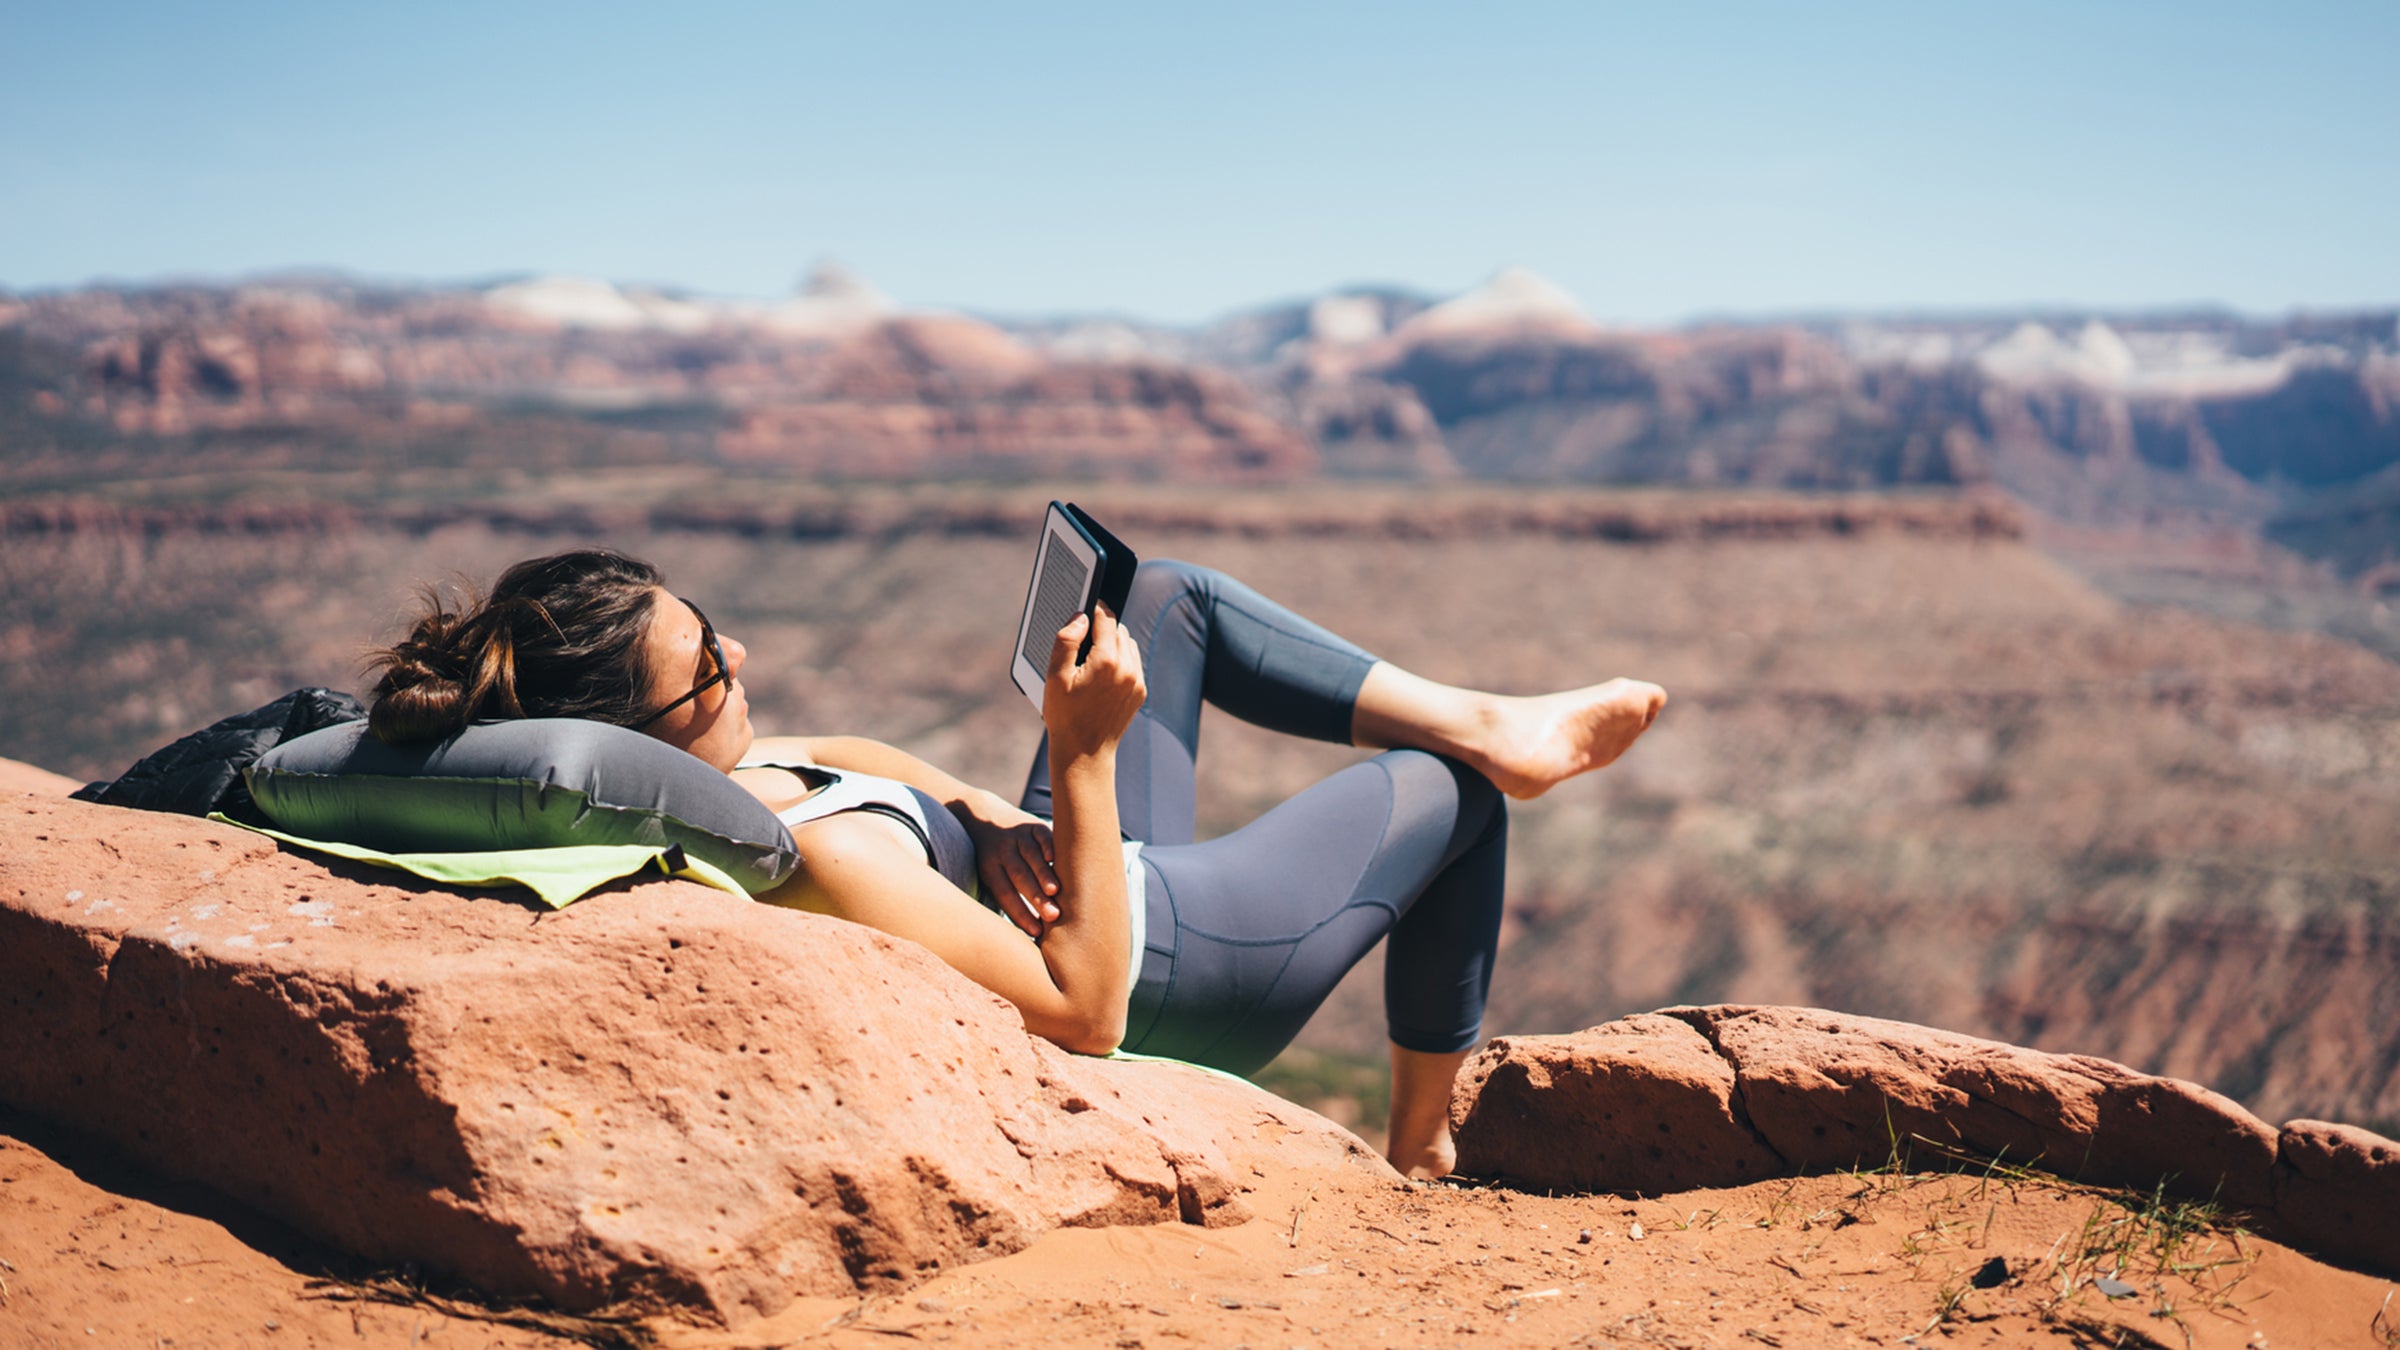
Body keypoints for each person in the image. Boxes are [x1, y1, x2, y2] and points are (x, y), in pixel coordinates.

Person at [369, 547, 1666, 1178]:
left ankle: (1487, 711)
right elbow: (1086, 1011)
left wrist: (994, 810)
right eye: (709, 668)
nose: (744, 660)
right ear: (631, 736)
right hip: (1162, 959)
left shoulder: (739, 783)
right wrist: (1081, 757)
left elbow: (865, 750)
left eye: (715, 630)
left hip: (1059, 866)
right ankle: (1421, 1148)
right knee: (1459, 804)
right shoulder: (815, 856)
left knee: (1164, 597)